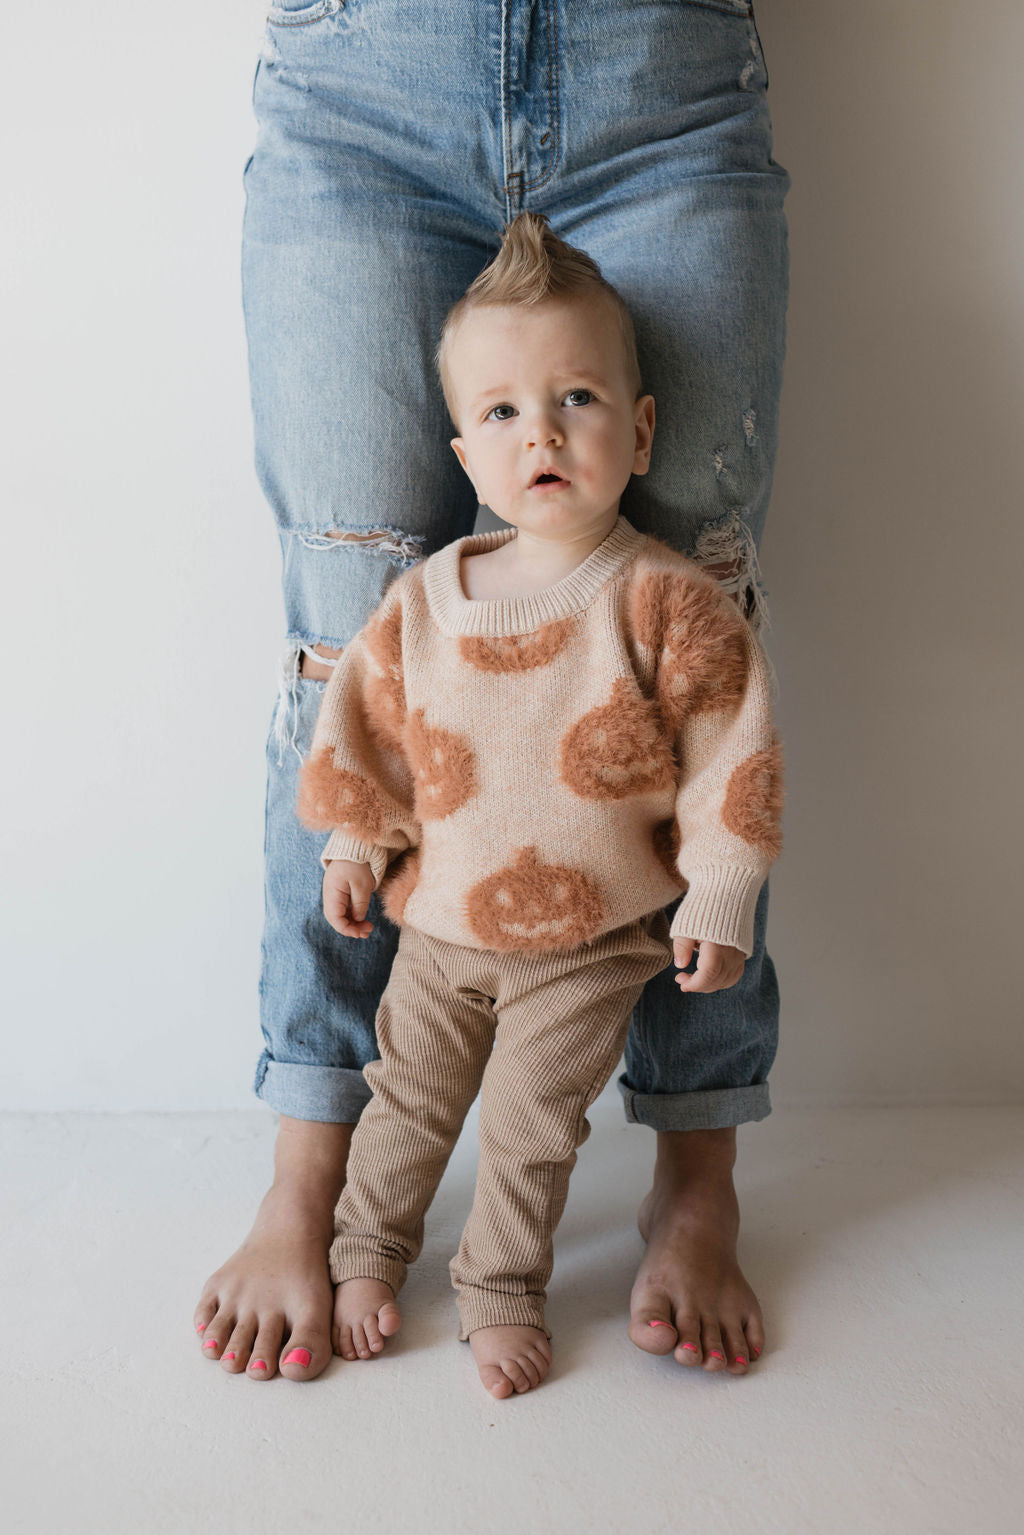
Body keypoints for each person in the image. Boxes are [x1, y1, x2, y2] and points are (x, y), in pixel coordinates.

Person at [195, 0, 791, 1385]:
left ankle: (696, 1167)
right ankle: (311, 1174)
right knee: (344, 641)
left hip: (667, 78)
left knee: (702, 622)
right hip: (363, 82)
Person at [296, 212, 784, 1399]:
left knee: (527, 1127)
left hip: (589, 942)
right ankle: (367, 1248)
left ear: (641, 428)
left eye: (576, 398)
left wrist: (721, 887)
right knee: (404, 1097)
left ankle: (499, 1288)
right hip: (438, 931)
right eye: (505, 411)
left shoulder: (665, 603)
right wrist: (360, 836)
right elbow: (377, 732)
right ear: (466, 455)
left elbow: (734, 757)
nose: (543, 432)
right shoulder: (423, 601)